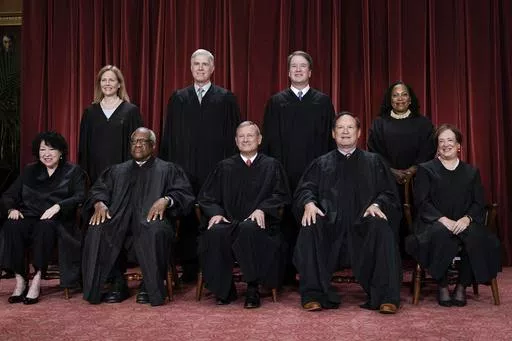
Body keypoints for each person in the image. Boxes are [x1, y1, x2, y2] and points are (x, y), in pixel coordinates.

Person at [293, 112, 402, 314]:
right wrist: (308, 203)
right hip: (330, 225)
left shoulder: (374, 162)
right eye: (340, 128)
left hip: (364, 225)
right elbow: (305, 189)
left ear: (358, 133)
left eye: (350, 127)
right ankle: (314, 294)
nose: (345, 131)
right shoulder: (320, 163)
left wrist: (377, 205)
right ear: (333, 134)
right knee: (311, 226)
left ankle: (386, 297)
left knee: (382, 227)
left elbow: (389, 193)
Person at [81, 127, 195, 306]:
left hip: (151, 222)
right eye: (134, 141)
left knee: (155, 230)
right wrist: (99, 203)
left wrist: (166, 200)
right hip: (120, 221)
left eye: (143, 141)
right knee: (99, 228)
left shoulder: (167, 169)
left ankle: (149, 285)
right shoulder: (117, 171)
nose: (138, 145)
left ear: (153, 145)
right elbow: (98, 190)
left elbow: (184, 194)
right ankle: (116, 282)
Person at [160, 48, 241, 281]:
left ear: (213, 68)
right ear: (190, 67)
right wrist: (169, 170)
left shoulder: (226, 98)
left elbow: (234, 138)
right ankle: (189, 267)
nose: (201, 68)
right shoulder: (178, 98)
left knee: (213, 215)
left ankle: (215, 266)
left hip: (215, 169)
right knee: (185, 217)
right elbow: (169, 136)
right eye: (196, 64)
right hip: (184, 169)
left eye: (205, 64)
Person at [198, 121, 291, 308]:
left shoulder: (271, 166)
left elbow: (281, 195)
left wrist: (263, 209)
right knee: (216, 232)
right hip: (230, 221)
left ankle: (252, 288)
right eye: (241, 136)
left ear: (259, 139)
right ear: (235, 140)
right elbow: (206, 197)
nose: (246, 139)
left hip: (260, 225)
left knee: (250, 228)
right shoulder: (224, 167)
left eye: (250, 136)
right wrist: (216, 213)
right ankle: (224, 289)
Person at [406, 124, 501, 307]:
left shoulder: (471, 172)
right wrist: (443, 220)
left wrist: (467, 219)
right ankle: (441, 285)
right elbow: (422, 202)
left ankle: (461, 285)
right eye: (441, 141)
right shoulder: (426, 169)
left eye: (450, 140)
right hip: (434, 221)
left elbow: (478, 203)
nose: (445, 144)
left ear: (458, 145)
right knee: (440, 233)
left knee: (475, 236)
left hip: (464, 221)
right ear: (437, 146)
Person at [262, 50, 335, 284]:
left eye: (303, 66)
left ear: (310, 71)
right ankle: (283, 273)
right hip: (285, 172)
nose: (298, 69)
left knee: (312, 220)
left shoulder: (323, 102)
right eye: (294, 66)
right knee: (284, 223)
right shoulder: (276, 102)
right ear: (288, 72)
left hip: (315, 175)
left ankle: (312, 273)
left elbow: (329, 141)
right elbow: (270, 142)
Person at [0, 131, 86, 304]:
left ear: (61, 152)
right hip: (29, 215)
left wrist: (58, 206)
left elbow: (81, 196)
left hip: (57, 219)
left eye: (51, 149)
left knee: (45, 227)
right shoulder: (30, 170)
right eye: (42, 150)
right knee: (12, 225)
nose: (46, 154)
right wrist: (11, 209)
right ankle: (21, 279)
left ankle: (37, 279)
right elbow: (9, 195)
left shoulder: (73, 171)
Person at [368, 81, 435, 254]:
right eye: (395, 95)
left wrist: (413, 170)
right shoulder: (379, 124)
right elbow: (375, 151)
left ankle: (418, 253)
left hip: (418, 179)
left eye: (404, 94)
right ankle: (390, 254)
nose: (400, 98)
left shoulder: (424, 123)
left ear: (410, 99)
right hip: (387, 179)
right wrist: (392, 171)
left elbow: (429, 149)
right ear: (390, 100)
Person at [78, 65, 143, 183]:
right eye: (104, 80)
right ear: (100, 84)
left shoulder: (131, 111)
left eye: (111, 80)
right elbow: (84, 149)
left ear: (119, 84)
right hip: (96, 176)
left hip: (124, 176)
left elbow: (138, 146)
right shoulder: (90, 112)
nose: (107, 83)